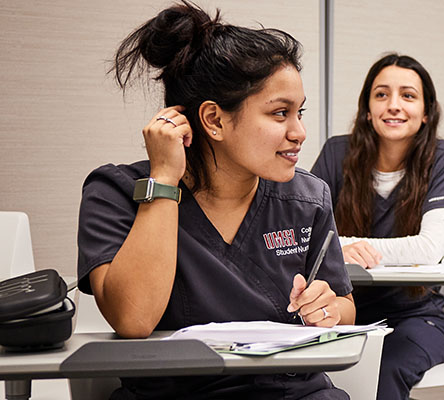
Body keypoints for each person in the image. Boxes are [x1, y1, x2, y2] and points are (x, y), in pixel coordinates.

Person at [77, 2, 354, 399]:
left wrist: (328, 310)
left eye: (300, 113)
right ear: (214, 120)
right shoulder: (118, 191)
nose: (300, 132)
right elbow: (134, 319)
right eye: (280, 114)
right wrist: (164, 180)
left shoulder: (307, 198)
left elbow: (344, 306)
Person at [311, 53, 444, 400]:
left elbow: (429, 249)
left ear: (426, 112)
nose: (393, 105)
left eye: (408, 96)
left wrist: (340, 246)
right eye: (381, 95)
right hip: (344, 313)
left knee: (384, 372)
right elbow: (307, 235)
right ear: (367, 109)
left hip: (417, 317)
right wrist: (337, 247)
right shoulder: (336, 153)